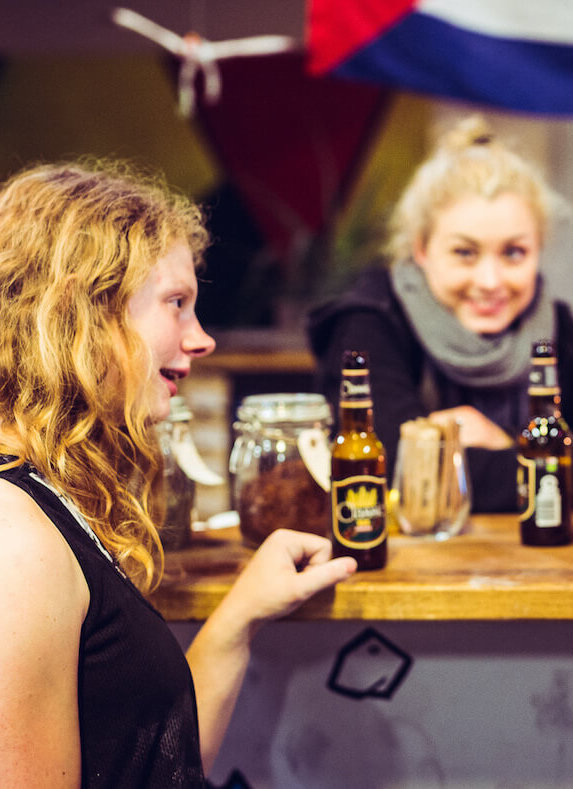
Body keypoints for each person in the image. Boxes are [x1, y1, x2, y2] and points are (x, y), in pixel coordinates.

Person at [0, 159, 357, 787]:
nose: (201, 339)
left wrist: (239, 616)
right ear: (84, 312)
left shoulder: (45, 494)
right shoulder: (14, 539)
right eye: (176, 304)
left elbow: (149, 759)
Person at [308, 115, 573, 514]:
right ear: (422, 250)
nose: (490, 280)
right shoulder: (369, 322)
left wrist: (505, 446)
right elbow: (394, 468)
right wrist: (544, 462)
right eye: (464, 253)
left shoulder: (557, 327)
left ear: (538, 250)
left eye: (514, 253)